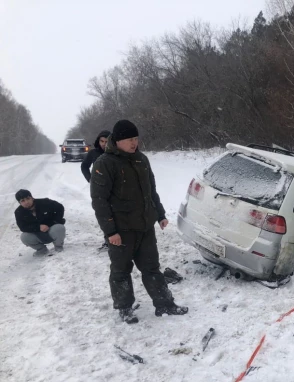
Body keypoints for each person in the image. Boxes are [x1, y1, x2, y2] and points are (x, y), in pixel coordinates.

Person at [90, 119, 188, 324]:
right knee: (121, 271)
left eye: (135, 138)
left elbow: (151, 191)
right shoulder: (104, 163)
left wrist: (159, 214)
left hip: (145, 227)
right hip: (121, 230)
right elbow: (99, 201)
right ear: (117, 140)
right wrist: (110, 232)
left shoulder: (141, 159)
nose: (134, 143)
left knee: (152, 268)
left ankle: (164, 304)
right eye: (129, 139)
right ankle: (124, 308)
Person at [14, 189, 66, 255]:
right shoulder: (19, 212)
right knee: (24, 237)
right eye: (23, 201)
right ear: (20, 203)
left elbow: (60, 207)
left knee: (59, 228)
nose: (26, 202)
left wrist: (54, 222)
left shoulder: (45, 202)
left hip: (51, 229)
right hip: (37, 234)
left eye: (28, 198)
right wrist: (38, 227)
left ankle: (58, 246)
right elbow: (23, 227)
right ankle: (42, 250)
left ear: (32, 198)